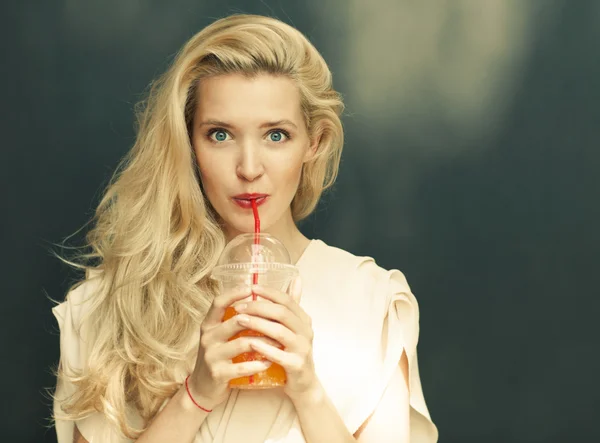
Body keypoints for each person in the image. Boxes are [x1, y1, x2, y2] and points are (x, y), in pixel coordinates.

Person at [51, 13, 438, 443]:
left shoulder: (374, 304)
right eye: (220, 135)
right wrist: (195, 396)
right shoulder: (110, 304)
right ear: (188, 143)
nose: (249, 169)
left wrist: (308, 390)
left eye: (276, 136)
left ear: (315, 141)